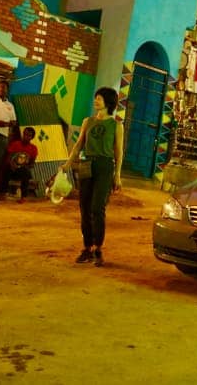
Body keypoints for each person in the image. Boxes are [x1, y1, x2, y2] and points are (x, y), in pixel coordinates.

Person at [62, 87, 123, 267]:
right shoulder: (87, 121)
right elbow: (79, 145)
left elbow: (118, 152)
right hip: (86, 164)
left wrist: (117, 175)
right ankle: (87, 248)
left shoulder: (116, 125)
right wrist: (67, 164)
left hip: (105, 166)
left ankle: (98, 248)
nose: (95, 101)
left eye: (99, 99)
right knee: (84, 207)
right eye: (95, 98)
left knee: (97, 208)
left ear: (108, 103)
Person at [0, 127, 39, 202]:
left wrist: (25, 166)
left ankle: (23, 197)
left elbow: (32, 163)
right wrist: (12, 165)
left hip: (22, 170)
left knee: (26, 172)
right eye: (25, 134)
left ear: (32, 137)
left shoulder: (33, 148)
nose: (26, 137)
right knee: (6, 168)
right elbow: (9, 158)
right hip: (13, 168)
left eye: (29, 135)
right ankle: (3, 193)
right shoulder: (15, 144)